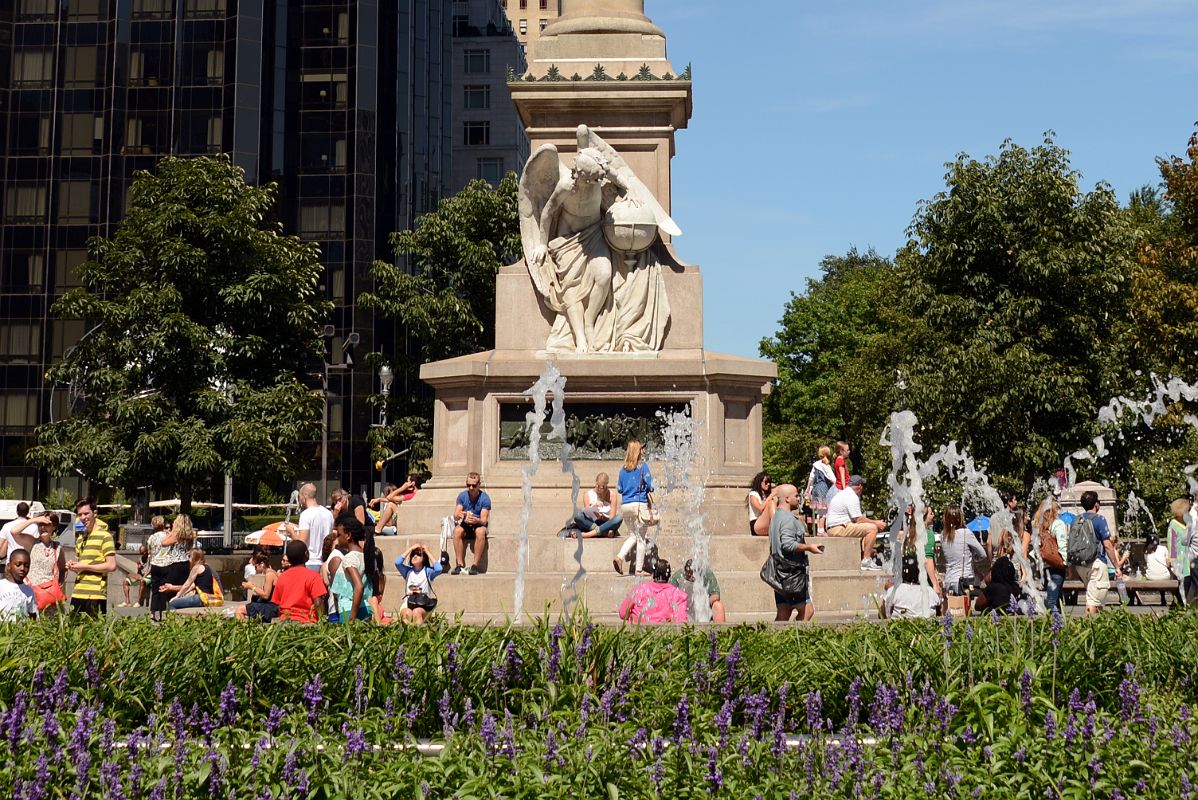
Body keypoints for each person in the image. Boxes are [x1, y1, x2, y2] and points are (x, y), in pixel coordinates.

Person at [768, 484, 823, 622]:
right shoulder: (787, 519)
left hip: (780, 572)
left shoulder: (776, 517)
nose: (800, 498)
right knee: (807, 611)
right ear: (786, 498)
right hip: (792, 574)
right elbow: (788, 545)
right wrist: (809, 547)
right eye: (796, 495)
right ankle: (796, 640)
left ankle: (776, 641)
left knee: (783, 613)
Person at [823, 475, 885, 570]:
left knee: (864, 529)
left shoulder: (843, 494)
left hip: (834, 527)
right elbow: (858, 519)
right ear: (860, 486)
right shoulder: (852, 496)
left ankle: (862, 557)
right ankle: (866, 560)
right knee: (872, 528)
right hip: (838, 528)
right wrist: (876, 523)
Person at [67, 497, 116, 616]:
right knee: (74, 632)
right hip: (78, 592)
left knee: (94, 632)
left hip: (95, 594)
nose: (83, 518)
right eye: (80, 514)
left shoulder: (105, 536)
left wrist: (85, 566)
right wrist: (74, 566)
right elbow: (83, 567)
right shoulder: (80, 539)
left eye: (86, 513)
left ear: (94, 513)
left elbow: (111, 565)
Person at [1074, 489, 1119, 616]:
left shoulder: (1077, 520)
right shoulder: (1099, 519)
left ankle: (1098, 626)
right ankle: (1088, 629)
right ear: (1096, 504)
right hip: (1096, 562)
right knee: (1094, 599)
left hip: (1080, 564)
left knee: (1096, 596)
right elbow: (1108, 545)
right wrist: (1116, 566)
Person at [614, 440, 654, 575]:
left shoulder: (622, 470)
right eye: (641, 449)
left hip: (626, 505)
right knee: (641, 537)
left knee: (632, 534)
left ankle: (620, 557)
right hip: (639, 505)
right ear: (638, 451)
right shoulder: (643, 467)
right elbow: (650, 486)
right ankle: (638, 569)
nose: (643, 451)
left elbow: (620, 489)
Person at [265, 540, 327, 623]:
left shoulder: (282, 577)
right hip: (307, 622)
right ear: (306, 554)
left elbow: (278, 604)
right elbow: (318, 603)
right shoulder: (314, 576)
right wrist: (322, 623)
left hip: (285, 622)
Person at [146, 514, 194, 622]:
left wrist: (171, 532)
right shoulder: (190, 535)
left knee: (168, 590)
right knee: (181, 589)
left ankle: (167, 615)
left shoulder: (176, 535)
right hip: (185, 563)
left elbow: (164, 543)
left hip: (175, 564)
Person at [328, 514, 375, 622]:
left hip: (349, 609)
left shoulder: (349, 559)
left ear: (348, 535)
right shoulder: (365, 556)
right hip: (366, 607)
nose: (337, 538)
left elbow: (359, 586)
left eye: (339, 535)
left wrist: (352, 618)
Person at [618, 558, 688, 624]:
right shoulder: (677, 595)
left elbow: (623, 613)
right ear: (669, 575)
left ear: (653, 574)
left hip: (637, 634)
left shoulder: (639, 590)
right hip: (664, 635)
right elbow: (681, 622)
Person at [21, 515, 66, 612]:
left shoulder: (57, 547)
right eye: (40, 524)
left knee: (51, 625)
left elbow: (63, 568)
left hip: (51, 596)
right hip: (32, 593)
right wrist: (34, 520)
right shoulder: (32, 542)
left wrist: (60, 584)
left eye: (46, 524)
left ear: (54, 527)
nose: (42, 527)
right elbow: (14, 531)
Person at [941, 507, 987, 597]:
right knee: (965, 609)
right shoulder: (966, 533)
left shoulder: (943, 535)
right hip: (964, 581)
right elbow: (983, 554)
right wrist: (973, 558)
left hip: (948, 581)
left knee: (952, 610)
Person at [974, 533, 1024, 615]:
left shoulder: (993, 588)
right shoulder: (1016, 587)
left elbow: (978, 606)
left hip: (997, 621)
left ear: (995, 571)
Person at [452, 473, 491, 575]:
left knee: (480, 531)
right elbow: (456, 515)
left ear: (479, 485)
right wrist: (461, 514)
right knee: (457, 531)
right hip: (466, 523)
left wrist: (476, 520)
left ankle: (475, 565)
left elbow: (484, 520)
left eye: (474, 485)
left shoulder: (485, 498)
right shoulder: (462, 496)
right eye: (468, 485)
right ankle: (459, 565)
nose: (471, 488)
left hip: (478, 524)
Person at [396, 542, 443, 624]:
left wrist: (427, 552)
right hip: (408, 603)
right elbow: (398, 562)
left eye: (418, 554)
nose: (415, 556)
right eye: (413, 554)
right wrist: (411, 548)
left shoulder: (428, 571)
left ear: (423, 558)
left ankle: (418, 635)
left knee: (417, 612)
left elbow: (439, 569)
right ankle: (406, 635)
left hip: (423, 605)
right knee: (407, 613)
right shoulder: (408, 571)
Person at [1036, 499, 1070, 611]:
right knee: (1053, 601)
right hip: (1056, 565)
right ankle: (1052, 624)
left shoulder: (1039, 526)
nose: (1059, 512)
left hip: (1045, 566)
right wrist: (1066, 563)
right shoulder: (1058, 523)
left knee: (1057, 597)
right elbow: (1062, 545)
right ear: (1053, 511)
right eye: (1057, 509)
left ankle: (1059, 624)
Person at [669, 558, 726, 623]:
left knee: (718, 606)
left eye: (693, 575)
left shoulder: (707, 574)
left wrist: (702, 604)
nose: (691, 577)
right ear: (685, 572)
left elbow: (716, 595)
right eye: (689, 575)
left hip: (703, 609)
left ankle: (720, 631)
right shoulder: (677, 577)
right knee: (672, 610)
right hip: (684, 610)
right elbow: (670, 598)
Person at [296, 483, 334, 573]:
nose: (300, 499)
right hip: (326, 562)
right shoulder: (328, 513)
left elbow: (301, 543)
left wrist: (291, 532)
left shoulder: (306, 514)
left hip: (310, 561)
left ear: (304, 496)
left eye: (300, 496)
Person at [572, 472, 623, 538]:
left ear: (606, 486)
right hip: (591, 524)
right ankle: (603, 533)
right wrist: (594, 507)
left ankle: (587, 534)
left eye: (601, 487)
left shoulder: (612, 495)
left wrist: (603, 517)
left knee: (618, 518)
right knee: (577, 516)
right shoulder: (588, 494)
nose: (598, 488)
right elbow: (587, 513)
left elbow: (612, 518)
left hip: (606, 523)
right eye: (597, 485)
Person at [1168, 498, 1195, 602]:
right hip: (1179, 561)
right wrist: (1172, 560)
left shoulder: (1186, 523)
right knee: (1182, 588)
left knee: (1188, 586)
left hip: (1188, 560)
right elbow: (1172, 544)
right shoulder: (1173, 524)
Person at [237, 553, 278, 620]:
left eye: (255, 566)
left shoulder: (269, 575)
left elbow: (266, 595)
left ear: (262, 564)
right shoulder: (271, 573)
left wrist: (252, 587)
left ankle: (241, 629)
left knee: (240, 610)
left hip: (271, 608)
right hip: (271, 606)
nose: (255, 569)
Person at [804, 447, 837, 532]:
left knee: (819, 511)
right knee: (824, 511)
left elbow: (811, 478)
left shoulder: (816, 464)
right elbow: (833, 479)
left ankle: (819, 529)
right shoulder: (825, 466)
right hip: (824, 489)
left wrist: (807, 490)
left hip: (816, 489)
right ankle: (821, 530)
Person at [0, 550, 37, 621]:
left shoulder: (29, 591)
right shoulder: (1, 586)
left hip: (20, 630)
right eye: (18, 564)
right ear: (9, 566)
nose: (22, 568)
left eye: (26, 566)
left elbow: (33, 615)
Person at [746, 472, 773, 537]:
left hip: (767, 523)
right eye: (766, 482)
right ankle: (778, 526)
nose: (768, 484)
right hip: (756, 524)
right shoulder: (753, 494)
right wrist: (771, 496)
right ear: (759, 482)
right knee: (771, 503)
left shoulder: (767, 495)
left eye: (770, 482)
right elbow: (760, 508)